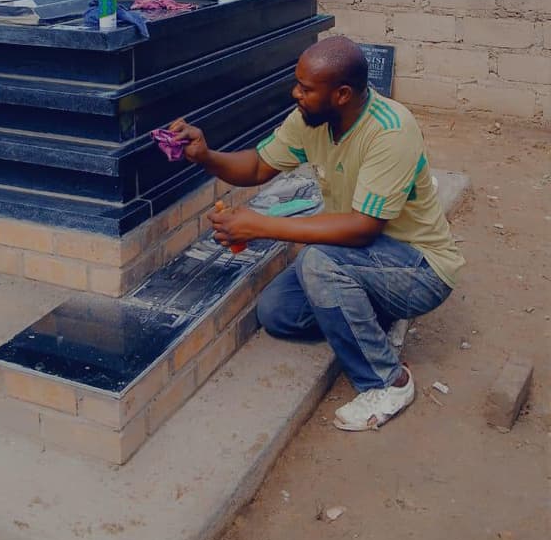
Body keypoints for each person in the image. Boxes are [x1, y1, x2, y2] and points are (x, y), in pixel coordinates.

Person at [169, 35, 464, 431]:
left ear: (341, 94)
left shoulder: (390, 131)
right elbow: (258, 167)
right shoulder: (312, 120)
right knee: (279, 313)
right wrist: (205, 155)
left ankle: (388, 381)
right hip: (366, 259)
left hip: (419, 269)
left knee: (318, 261)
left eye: (306, 88)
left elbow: (362, 228)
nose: (296, 93)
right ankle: (378, 312)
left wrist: (261, 225)